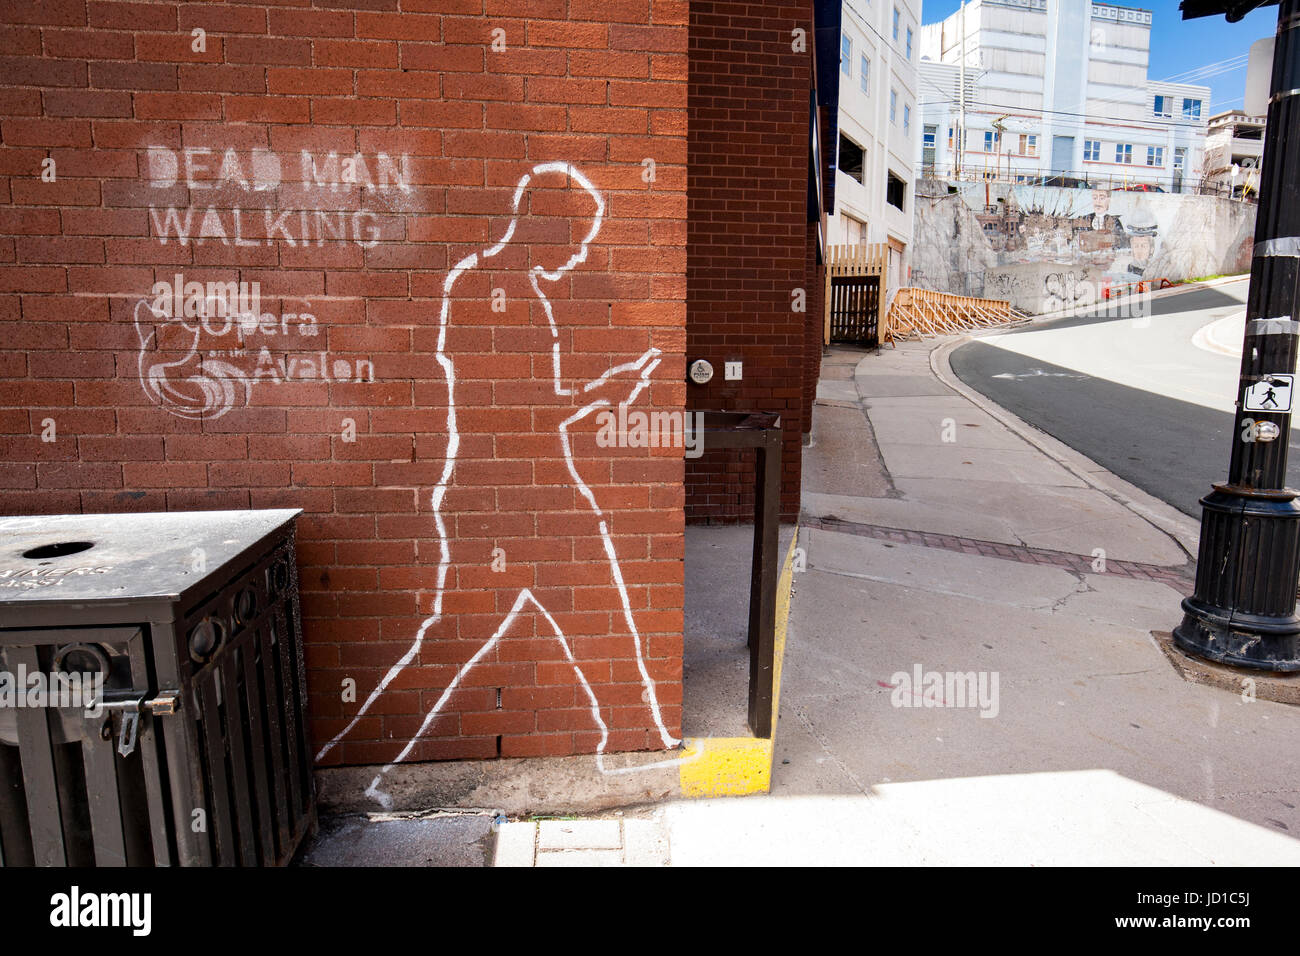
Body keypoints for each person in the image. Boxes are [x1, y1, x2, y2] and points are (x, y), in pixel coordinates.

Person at [316, 162, 679, 804]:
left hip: (527, 493)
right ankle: (348, 762)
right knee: (455, 645)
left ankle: (639, 738)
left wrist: (597, 393)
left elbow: (527, 405)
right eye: (575, 236)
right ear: (541, 222)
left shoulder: (511, 288)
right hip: (504, 497)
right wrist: (606, 393)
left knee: (583, 627)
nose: (580, 252)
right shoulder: (484, 288)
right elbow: (511, 410)